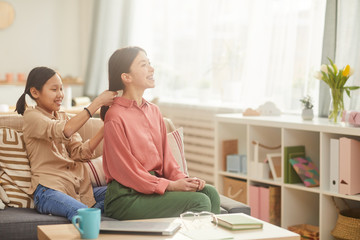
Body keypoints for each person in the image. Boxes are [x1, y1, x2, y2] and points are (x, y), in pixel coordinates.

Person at [101, 46, 221, 220]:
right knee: (199, 201)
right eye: (144, 64)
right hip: (126, 196)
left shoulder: (154, 111)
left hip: (151, 188)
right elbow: (127, 171)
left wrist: (185, 181)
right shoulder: (115, 116)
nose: (152, 68)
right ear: (126, 77)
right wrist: (170, 186)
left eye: (149, 63)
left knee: (211, 193)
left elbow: (168, 160)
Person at [15, 66, 117, 221]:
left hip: (78, 189)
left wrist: (106, 127)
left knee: (123, 194)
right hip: (49, 191)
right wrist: (96, 103)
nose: (60, 95)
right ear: (35, 92)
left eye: (61, 89)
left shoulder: (63, 117)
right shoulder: (32, 117)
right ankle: (88, 214)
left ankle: (91, 212)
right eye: (54, 89)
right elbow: (64, 131)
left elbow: (79, 153)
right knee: (85, 214)